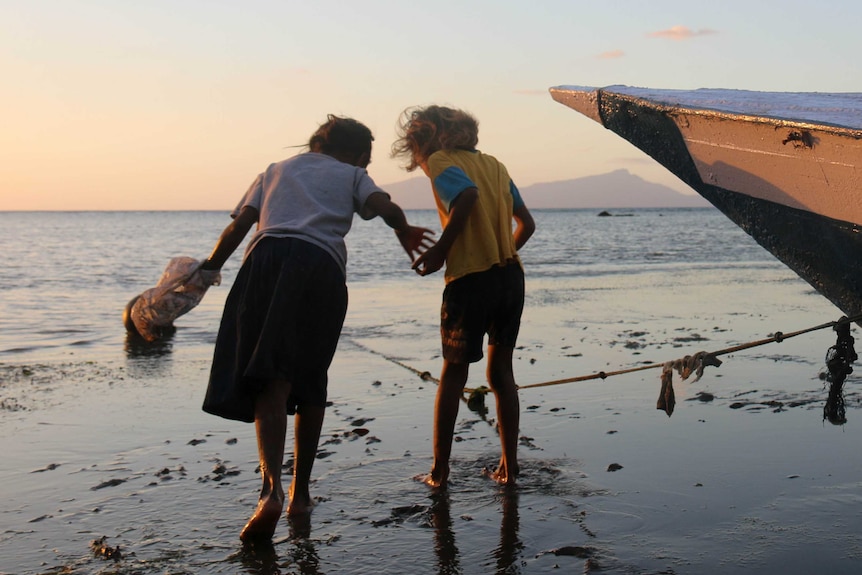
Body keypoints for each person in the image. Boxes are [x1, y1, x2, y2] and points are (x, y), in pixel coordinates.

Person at [199, 115, 434, 541]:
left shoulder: (273, 171)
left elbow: (239, 226)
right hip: (320, 269)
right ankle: (300, 494)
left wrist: (207, 270)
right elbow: (385, 207)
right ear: (360, 153)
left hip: (264, 263)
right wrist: (405, 230)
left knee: (268, 379)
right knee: (309, 381)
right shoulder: (353, 174)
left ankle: (269, 491)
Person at [391, 105, 536, 489]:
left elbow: (467, 197)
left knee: (454, 375)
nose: (420, 161)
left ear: (429, 140)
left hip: (471, 280)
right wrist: (501, 251)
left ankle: (439, 471)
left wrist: (441, 250)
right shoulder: (497, 166)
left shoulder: (442, 160)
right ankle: (509, 466)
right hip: (510, 278)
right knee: (501, 374)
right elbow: (527, 223)